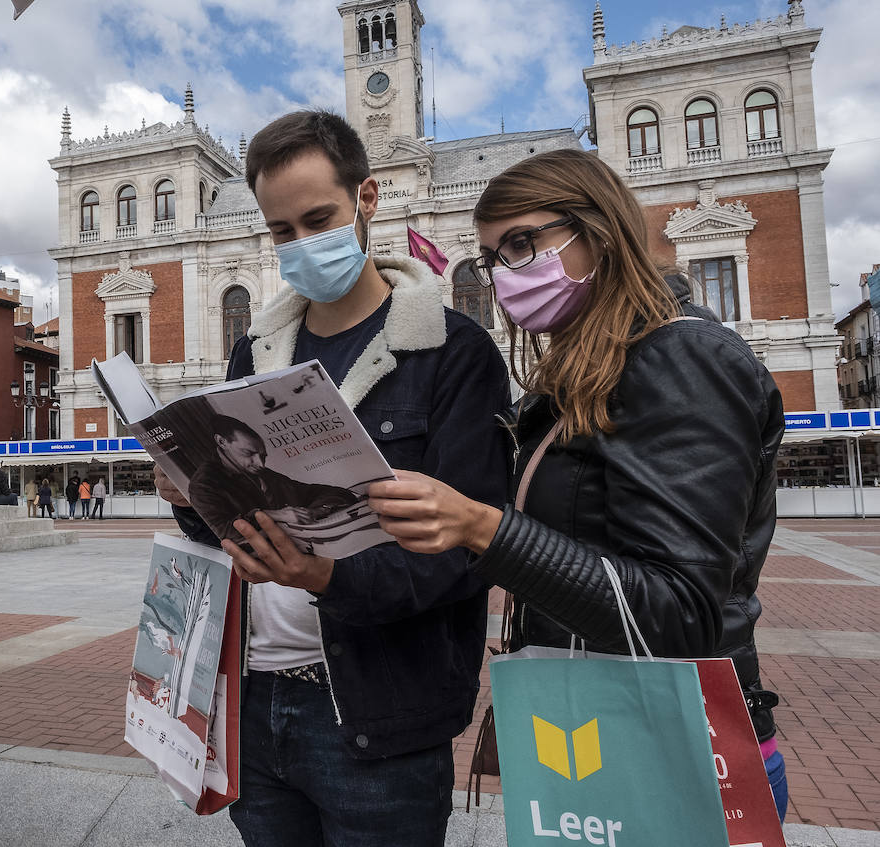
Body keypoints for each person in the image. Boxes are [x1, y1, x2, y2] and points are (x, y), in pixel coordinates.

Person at [369, 148, 789, 822]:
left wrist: (483, 527)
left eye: (523, 243)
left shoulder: (682, 357)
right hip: (593, 727)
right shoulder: (588, 369)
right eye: (492, 257)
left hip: (676, 744)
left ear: (598, 230)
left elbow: (682, 612)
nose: (506, 273)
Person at [155, 109, 510, 847]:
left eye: (319, 218)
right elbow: (233, 527)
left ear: (367, 199)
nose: (301, 242)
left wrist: (326, 577)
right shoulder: (256, 352)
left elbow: (467, 554)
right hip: (254, 701)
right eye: (281, 230)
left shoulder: (453, 352)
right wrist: (191, 492)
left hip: (378, 715)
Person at [187, 415, 360, 546]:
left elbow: (331, 493)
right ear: (222, 441)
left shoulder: (263, 474)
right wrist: (270, 516)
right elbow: (222, 533)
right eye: (248, 454)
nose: (261, 463)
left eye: (262, 456)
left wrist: (315, 511)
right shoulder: (203, 483)